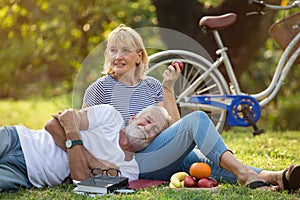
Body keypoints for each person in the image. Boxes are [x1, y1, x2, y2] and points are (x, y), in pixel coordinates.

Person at [80, 24, 300, 191]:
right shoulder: (100, 90)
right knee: (197, 120)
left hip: (158, 153)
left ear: (139, 56)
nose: (117, 57)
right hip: (131, 163)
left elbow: (175, 129)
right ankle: (246, 175)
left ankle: (275, 177)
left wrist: (167, 88)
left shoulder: (152, 86)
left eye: (124, 50)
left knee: (202, 161)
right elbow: (86, 134)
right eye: (112, 51)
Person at [0, 104, 171, 192]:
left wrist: (71, 132)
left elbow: (81, 179)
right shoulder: (109, 116)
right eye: (147, 121)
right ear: (134, 117)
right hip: (18, 138)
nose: (147, 128)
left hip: (25, 173)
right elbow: (53, 124)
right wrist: (91, 160)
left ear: (154, 141)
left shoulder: (129, 170)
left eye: (155, 131)